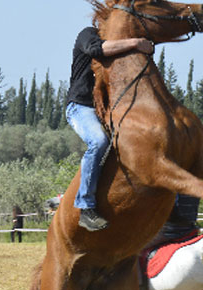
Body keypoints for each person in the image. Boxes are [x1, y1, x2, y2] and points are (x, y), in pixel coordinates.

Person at [66, 26, 154, 231]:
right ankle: (85, 207)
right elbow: (97, 49)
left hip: (109, 109)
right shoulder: (87, 34)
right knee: (99, 142)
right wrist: (136, 43)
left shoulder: (123, 46)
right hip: (81, 106)